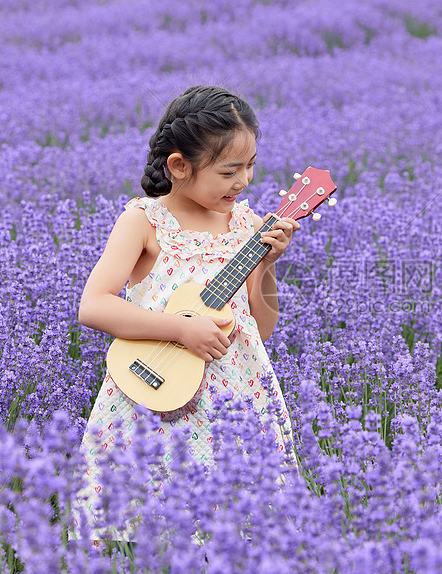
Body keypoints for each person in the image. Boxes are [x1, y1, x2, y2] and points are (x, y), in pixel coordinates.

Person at [72, 85, 299, 545]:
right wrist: (182, 328)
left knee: (235, 528)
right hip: (151, 393)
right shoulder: (144, 220)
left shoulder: (248, 226)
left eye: (251, 166)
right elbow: (93, 305)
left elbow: (263, 329)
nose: (244, 182)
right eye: (229, 170)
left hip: (234, 399)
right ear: (179, 166)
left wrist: (267, 267)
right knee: (141, 522)